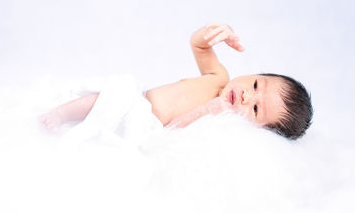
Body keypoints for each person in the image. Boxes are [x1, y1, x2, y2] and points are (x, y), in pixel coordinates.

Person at [40, 23, 313, 140]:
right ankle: (62, 113)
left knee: (104, 124)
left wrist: (209, 110)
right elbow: (199, 47)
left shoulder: (220, 124)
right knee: (104, 98)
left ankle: (71, 125)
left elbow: (175, 132)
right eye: (255, 86)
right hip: (138, 99)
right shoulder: (220, 77)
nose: (246, 97)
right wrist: (213, 34)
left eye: (255, 109)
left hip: (147, 127)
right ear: (255, 74)